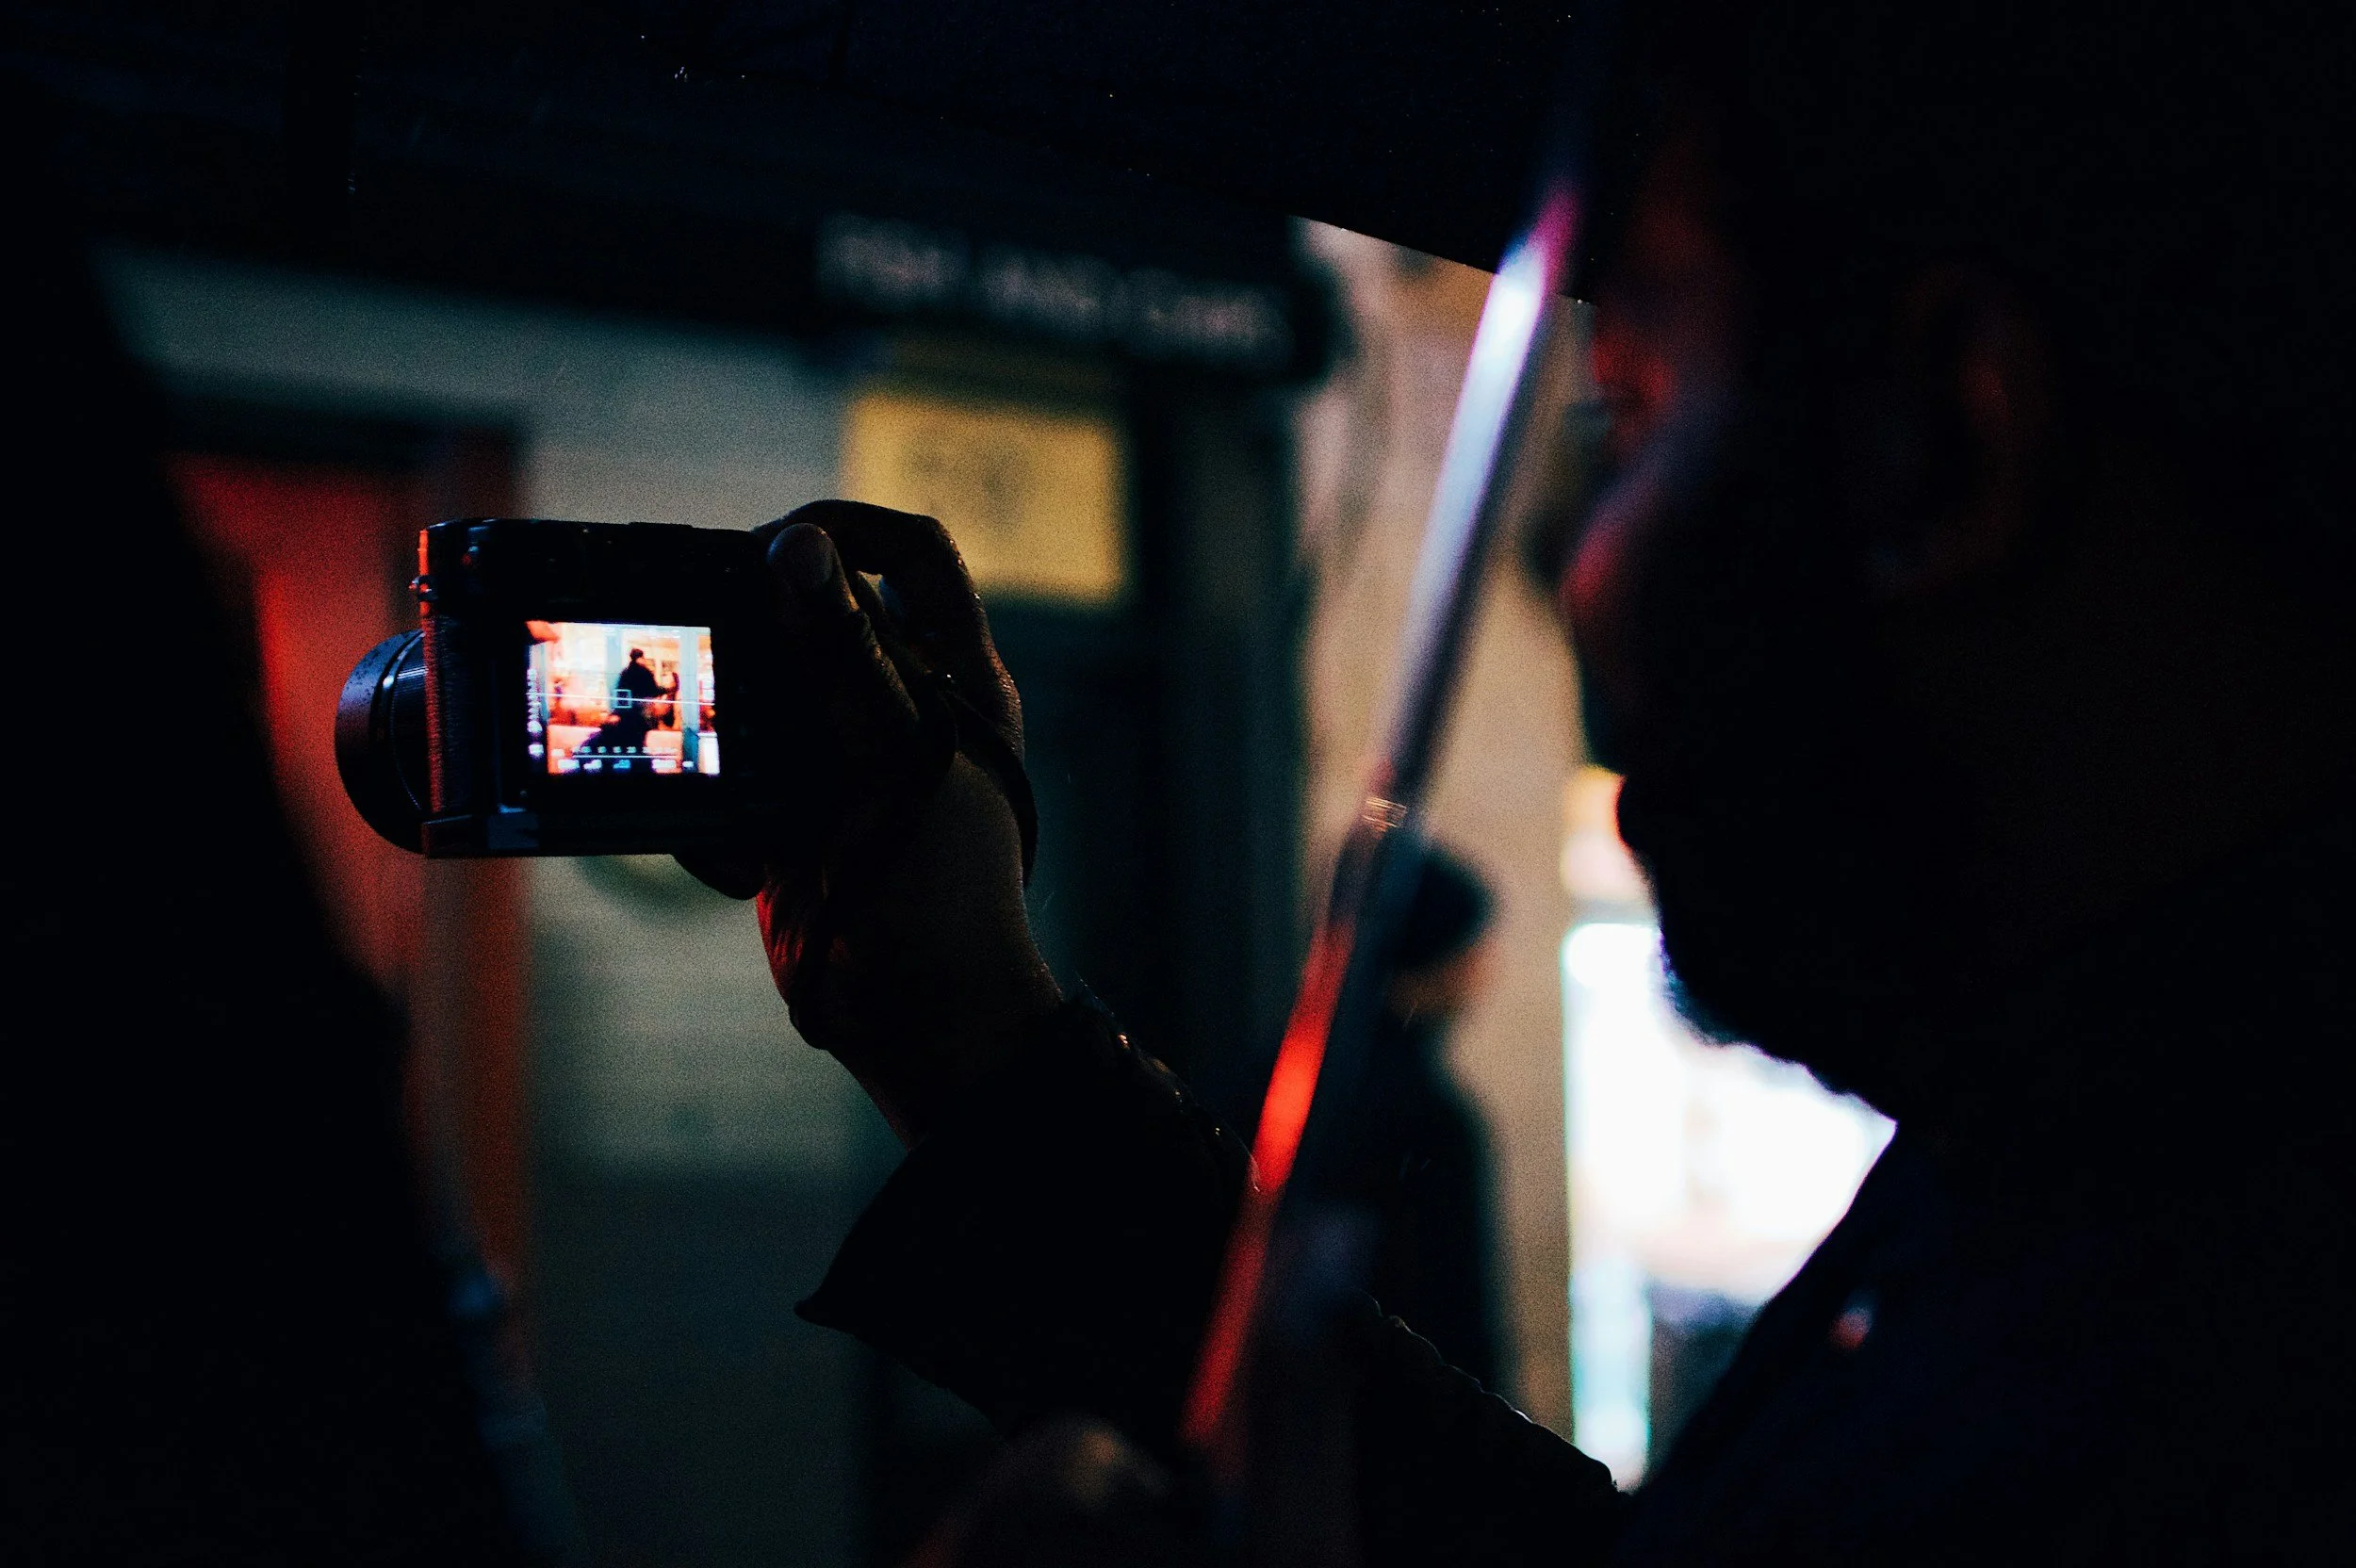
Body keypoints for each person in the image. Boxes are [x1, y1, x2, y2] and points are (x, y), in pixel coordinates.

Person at [698, 2, 2356, 1560]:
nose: (1582, 582)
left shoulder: (2202, 1333)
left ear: (1949, 438)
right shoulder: (2094, 1191)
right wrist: (967, 1022)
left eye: (1631, 411)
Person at [1341, 846, 1506, 1391]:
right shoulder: (1429, 1121)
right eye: (1472, 947)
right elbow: (1456, 1330)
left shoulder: (1287, 1074)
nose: (1484, 969)